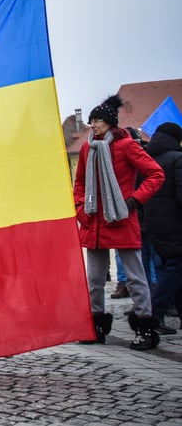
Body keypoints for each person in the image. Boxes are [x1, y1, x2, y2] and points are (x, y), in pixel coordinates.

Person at [73, 95, 164, 349]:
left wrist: (135, 201)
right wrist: (81, 208)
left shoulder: (127, 147)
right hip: (94, 222)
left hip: (121, 219)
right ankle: (96, 325)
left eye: (98, 120)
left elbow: (156, 174)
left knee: (136, 278)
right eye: (91, 120)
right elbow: (79, 183)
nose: (93, 125)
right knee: (93, 280)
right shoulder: (86, 148)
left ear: (110, 123)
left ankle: (145, 326)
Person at [144, 122, 182, 333]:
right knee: (175, 268)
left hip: (153, 224)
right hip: (175, 224)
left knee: (173, 268)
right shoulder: (177, 159)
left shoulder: (148, 159)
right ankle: (155, 312)